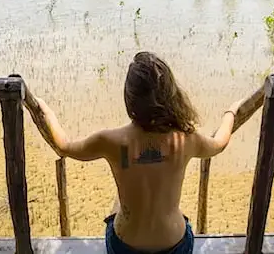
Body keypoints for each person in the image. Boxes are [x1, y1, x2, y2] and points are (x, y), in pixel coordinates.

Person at [31, 51, 245, 254]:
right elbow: (219, 143)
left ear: (129, 98)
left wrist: (46, 111)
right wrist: (231, 112)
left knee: (119, 200)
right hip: (174, 244)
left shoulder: (111, 141)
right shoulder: (185, 138)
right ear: (170, 95)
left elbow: (64, 146)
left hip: (125, 246)